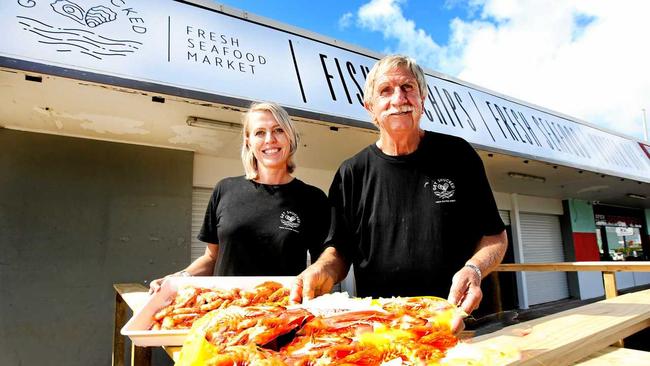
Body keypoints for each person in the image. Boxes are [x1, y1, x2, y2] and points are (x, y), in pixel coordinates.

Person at [290, 55, 508, 332]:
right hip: (384, 331)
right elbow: (340, 251)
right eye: (385, 91)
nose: (398, 98)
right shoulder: (352, 173)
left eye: (407, 87)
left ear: (422, 99)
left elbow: (494, 236)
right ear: (370, 107)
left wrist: (474, 270)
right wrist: (321, 270)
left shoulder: (458, 156)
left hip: (458, 321)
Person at [150, 102, 330, 292]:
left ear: (290, 137)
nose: (270, 139)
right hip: (225, 312)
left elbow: (324, 266)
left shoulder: (312, 199)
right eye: (260, 132)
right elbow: (211, 258)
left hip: (284, 313)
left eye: (278, 130)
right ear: (248, 141)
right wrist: (178, 278)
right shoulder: (225, 189)